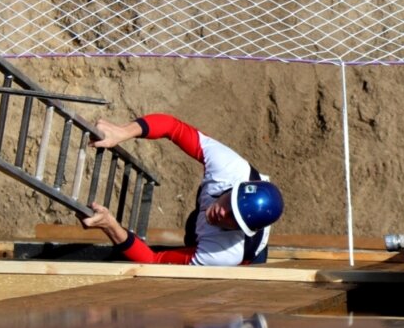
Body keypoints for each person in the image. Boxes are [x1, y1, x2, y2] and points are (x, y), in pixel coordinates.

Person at [78, 113, 284, 266]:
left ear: (241, 229)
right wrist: (122, 131)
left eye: (233, 219)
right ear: (234, 187)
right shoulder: (229, 167)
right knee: (197, 223)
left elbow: (154, 261)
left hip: (243, 260)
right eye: (230, 203)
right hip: (212, 229)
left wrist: (109, 225)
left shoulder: (225, 253)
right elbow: (172, 127)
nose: (223, 213)